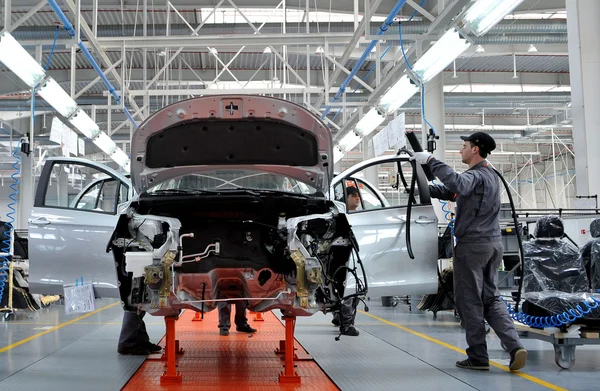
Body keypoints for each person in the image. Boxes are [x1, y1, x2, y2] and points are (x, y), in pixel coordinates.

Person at [410, 132, 527, 372]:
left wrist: (431, 161)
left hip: (473, 246)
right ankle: (515, 346)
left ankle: (478, 357)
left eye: (464, 146)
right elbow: (454, 192)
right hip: (492, 246)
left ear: (475, 149)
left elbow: (458, 184)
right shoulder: (490, 176)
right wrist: (425, 187)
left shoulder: (475, 175)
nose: (460, 150)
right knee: (491, 298)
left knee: (470, 301)